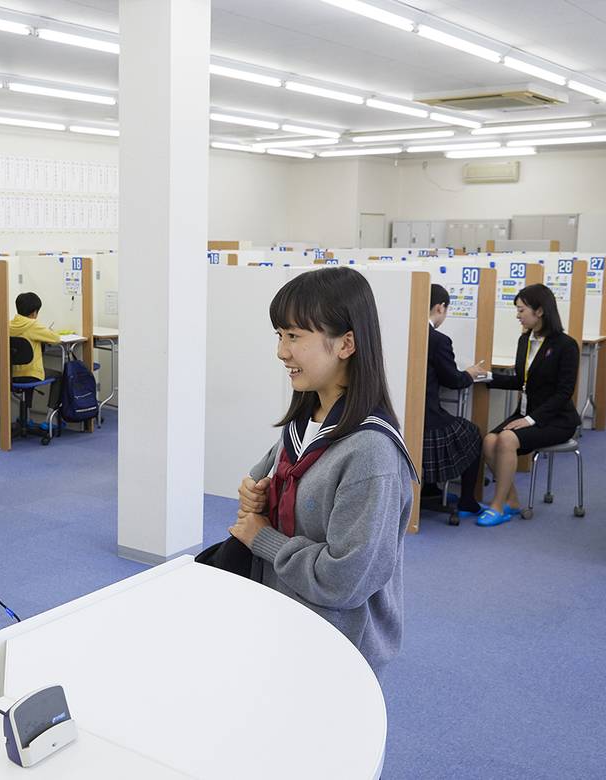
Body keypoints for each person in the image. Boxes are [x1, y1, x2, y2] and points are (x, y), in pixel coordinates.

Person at [227, 267, 417, 675]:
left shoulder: (372, 455)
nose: (282, 351)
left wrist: (264, 538)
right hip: (284, 621)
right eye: (279, 335)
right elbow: (262, 479)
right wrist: (253, 493)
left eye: (294, 336)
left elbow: (343, 579)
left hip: (337, 648)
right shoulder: (304, 420)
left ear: (346, 343)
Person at [478, 283, 581, 527]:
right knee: (488, 441)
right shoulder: (525, 341)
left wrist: (530, 420)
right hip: (526, 413)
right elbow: (519, 380)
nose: (518, 315)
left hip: (556, 419)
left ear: (540, 311)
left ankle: (496, 505)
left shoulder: (566, 346)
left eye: (522, 310)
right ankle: (511, 501)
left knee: (506, 439)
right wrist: (487, 377)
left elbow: (564, 393)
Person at [423, 284, 489, 520]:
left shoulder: (402, 331)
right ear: (440, 307)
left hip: (402, 418)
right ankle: (468, 500)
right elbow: (453, 380)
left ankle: (429, 488)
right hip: (428, 421)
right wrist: (470, 373)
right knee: (472, 433)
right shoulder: (439, 340)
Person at [9, 292, 62, 427]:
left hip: (12, 375)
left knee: (30, 372)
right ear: (34, 312)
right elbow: (56, 339)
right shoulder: (33, 325)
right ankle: (50, 419)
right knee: (59, 376)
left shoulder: (9, 325)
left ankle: (26, 418)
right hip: (31, 374)